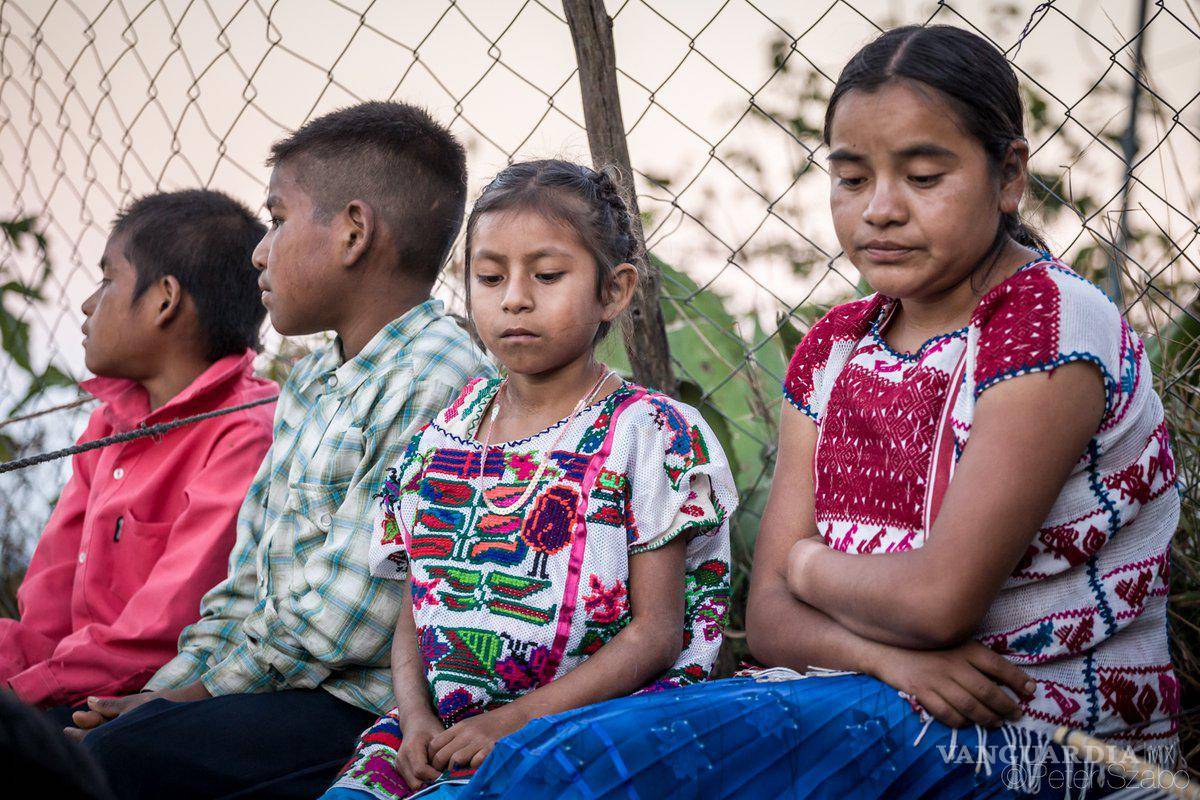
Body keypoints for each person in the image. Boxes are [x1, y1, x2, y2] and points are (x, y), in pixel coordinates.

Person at [457, 26, 1181, 799]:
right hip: (874, 691)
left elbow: (938, 603)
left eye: (924, 176)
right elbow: (768, 620)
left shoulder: (1048, 321)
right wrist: (886, 655)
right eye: (851, 178)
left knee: (580, 768)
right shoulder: (836, 346)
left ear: (1008, 177)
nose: (882, 210)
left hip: (1037, 730)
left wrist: (805, 565)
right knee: (541, 754)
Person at [72, 101, 495, 800]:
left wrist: (195, 696)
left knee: (113, 765)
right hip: (273, 685)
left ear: (354, 232)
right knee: (68, 739)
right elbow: (244, 584)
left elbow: (349, 618)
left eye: (276, 220)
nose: (259, 252)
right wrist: (169, 691)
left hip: (364, 707)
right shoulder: (310, 383)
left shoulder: (438, 376)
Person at [320, 159, 737, 800]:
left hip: (591, 727)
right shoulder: (441, 438)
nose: (514, 297)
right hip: (440, 731)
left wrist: (511, 722)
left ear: (614, 291)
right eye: (489, 277)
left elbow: (657, 633)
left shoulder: (648, 435)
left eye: (546, 275)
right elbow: (416, 610)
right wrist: (415, 719)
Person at [0, 190, 275, 724]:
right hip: (63, 684)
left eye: (107, 280)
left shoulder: (243, 433)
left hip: (149, 704)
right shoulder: (110, 421)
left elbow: (156, 638)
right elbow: (45, 612)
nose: (86, 304)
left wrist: (19, 697)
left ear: (164, 300)